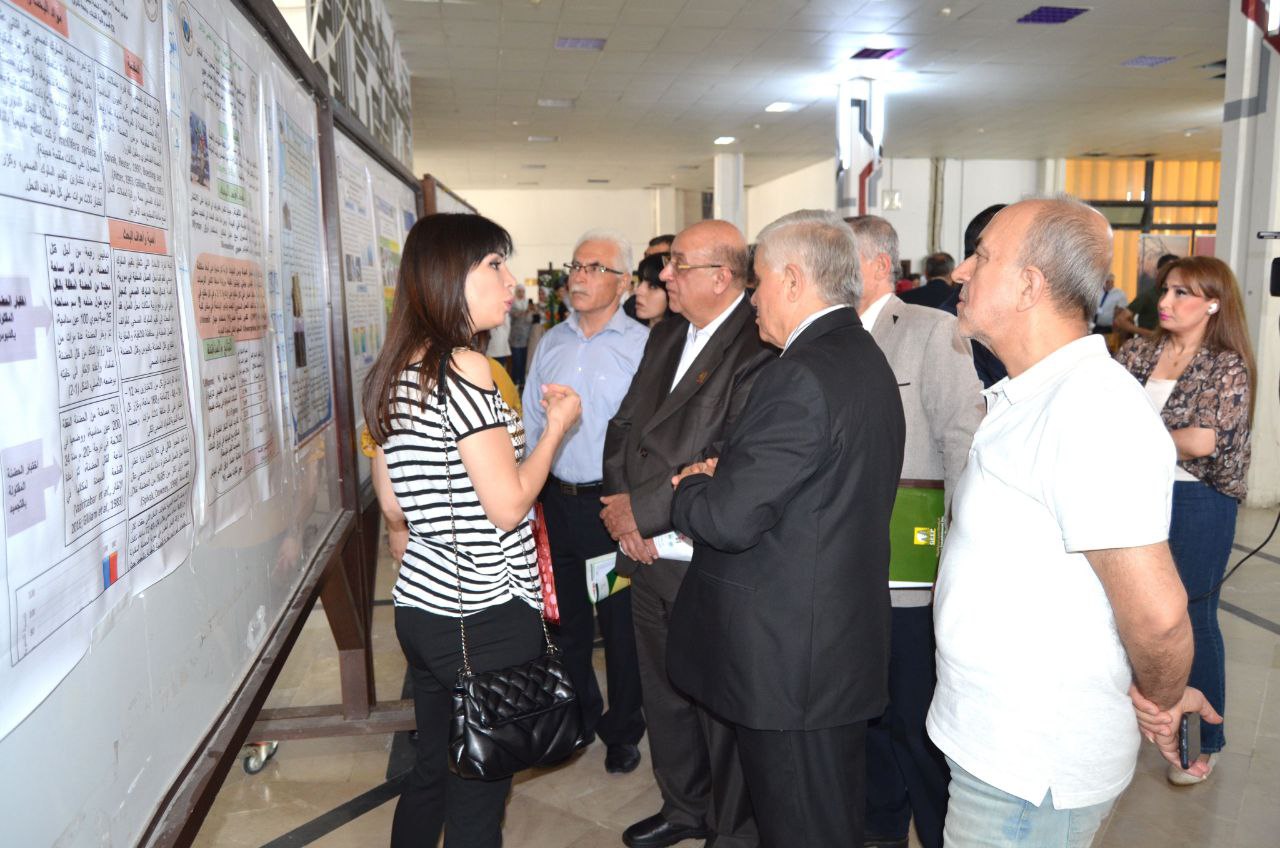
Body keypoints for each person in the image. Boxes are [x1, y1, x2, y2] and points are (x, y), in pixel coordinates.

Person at [926, 197, 1206, 846]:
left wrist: (1163, 699)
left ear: (1030, 285)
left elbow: (1159, 616)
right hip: (996, 751)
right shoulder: (1038, 394)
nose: (961, 271)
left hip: (1028, 776)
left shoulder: (1090, 410)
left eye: (982, 257)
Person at [668, 209, 906, 847]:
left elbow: (729, 519)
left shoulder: (800, 373)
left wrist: (691, 487)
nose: (752, 299)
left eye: (760, 282)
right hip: (827, 646)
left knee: (802, 827)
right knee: (822, 819)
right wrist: (733, 475)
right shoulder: (860, 355)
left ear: (794, 280)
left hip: (791, 662)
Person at [364, 213, 582, 848]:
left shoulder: (395, 370)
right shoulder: (464, 367)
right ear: (447, 276)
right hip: (484, 611)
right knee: (479, 793)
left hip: (423, 605)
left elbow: (393, 508)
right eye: (494, 264)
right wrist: (555, 430)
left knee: (433, 769)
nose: (511, 281)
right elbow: (509, 507)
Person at [604, 220, 774, 848]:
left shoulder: (759, 346)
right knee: (664, 695)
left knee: (717, 707)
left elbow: (726, 458)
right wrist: (622, 511)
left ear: (721, 277)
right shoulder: (668, 333)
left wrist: (643, 514)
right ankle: (683, 807)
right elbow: (625, 426)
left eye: (678, 264)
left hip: (703, 557)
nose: (665, 275)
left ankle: (730, 828)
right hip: (645, 550)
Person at [847, 216, 984, 848]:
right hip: (843, 570)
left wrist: (959, 554)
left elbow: (962, 443)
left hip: (911, 572)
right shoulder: (820, 337)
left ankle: (935, 831)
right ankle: (880, 826)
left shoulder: (931, 330)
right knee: (864, 716)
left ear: (880, 265)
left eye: (841, 257)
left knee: (914, 718)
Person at [1116, 256, 1254, 784]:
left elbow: (1202, 442)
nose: (1166, 302)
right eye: (1167, 290)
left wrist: (1135, 439)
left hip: (1198, 500)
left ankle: (1201, 741)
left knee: (1192, 616)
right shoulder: (1137, 351)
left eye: (1182, 294)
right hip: (1136, 494)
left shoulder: (1226, 365)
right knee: (1130, 614)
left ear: (1213, 304)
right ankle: (1137, 724)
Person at [521, 229, 649, 774]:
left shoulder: (642, 346)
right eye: (576, 265)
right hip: (556, 504)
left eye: (595, 267)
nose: (579, 276)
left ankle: (623, 729)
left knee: (619, 623)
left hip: (609, 510)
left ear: (623, 283)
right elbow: (530, 422)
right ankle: (578, 715)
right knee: (565, 620)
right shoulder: (551, 342)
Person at [1115, 252, 1179, 340]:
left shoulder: (1181, 296)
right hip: (1150, 343)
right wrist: (1147, 333)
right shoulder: (1148, 295)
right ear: (1158, 271)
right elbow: (1120, 320)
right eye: (1169, 270)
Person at [632, 253, 674, 327]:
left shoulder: (689, 333)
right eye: (640, 282)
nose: (638, 291)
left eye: (653, 286)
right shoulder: (628, 328)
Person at [508, 285, 533, 386]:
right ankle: (515, 381)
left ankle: (522, 381)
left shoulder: (528, 303)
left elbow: (531, 318)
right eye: (519, 291)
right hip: (515, 337)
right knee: (516, 360)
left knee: (524, 361)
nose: (521, 293)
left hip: (526, 336)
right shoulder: (512, 303)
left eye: (523, 291)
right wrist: (526, 311)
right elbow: (514, 314)